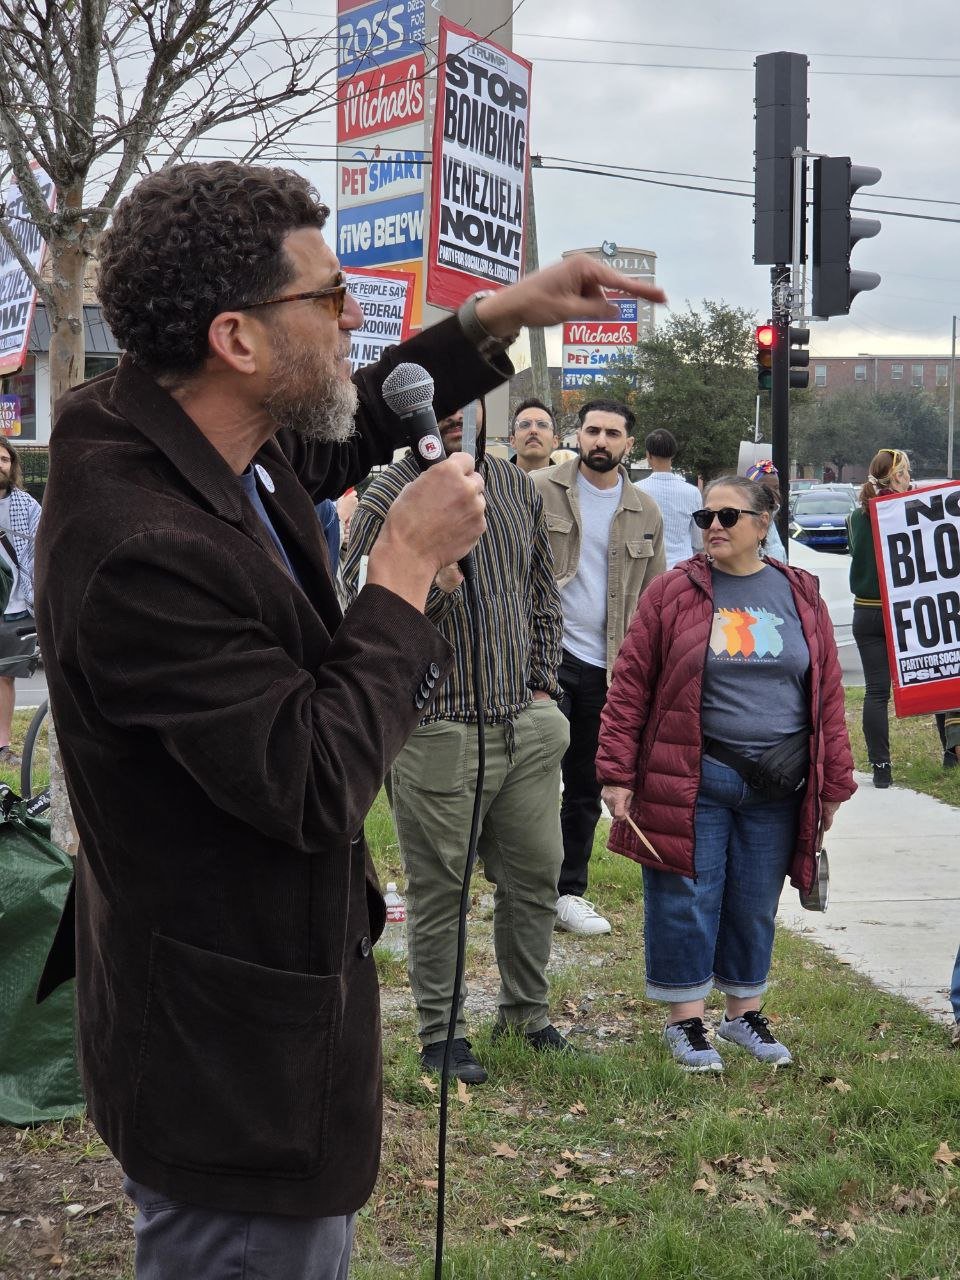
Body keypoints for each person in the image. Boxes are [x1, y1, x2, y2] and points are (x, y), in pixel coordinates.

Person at [33, 159, 667, 1280]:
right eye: (327, 299)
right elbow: (314, 774)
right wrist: (406, 570)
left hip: (249, 1013)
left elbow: (348, 417)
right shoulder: (139, 544)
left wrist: (510, 308)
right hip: (226, 1075)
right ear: (236, 338)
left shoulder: (197, 435)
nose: (353, 315)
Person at [341, 401, 572, 1085]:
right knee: (440, 891)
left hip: (522, 724)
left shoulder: (513, 488)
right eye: (431, 407)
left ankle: (526, 1016)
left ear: (478, 410)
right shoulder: (391, 490)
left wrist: (541, 685)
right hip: (438, 726)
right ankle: (442, 1034)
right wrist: (434, 586)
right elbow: (357, 601)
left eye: (459, 402)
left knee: (534, 878)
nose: (445, 417)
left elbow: (541, 591)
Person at [597, 474, 855, 1072]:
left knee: (754, 899)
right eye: (706, 517)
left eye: (729, 517)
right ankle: (685, 1021)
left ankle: (743, 1014)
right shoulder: (672, 594)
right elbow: (631, 685)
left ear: (763, 523)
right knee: (684, 895)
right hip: (694, 776)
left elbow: (828, 695)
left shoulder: (801, 593)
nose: (714, 526)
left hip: (778, 784)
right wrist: (616, 773)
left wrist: (834, 782)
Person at [533, 400, 665, 936]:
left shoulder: (645, 510)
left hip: (607, 667)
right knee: (533, 778)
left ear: (629, 443)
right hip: (545, 657)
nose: (601, 441)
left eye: (612, 433)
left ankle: (569, 891)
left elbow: (655, 597)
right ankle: (526, 888)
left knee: (586, 783)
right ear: (577, 435)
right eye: (592, 430)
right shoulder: (539, 489)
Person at [0, 439, 42, 766]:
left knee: (5, 677)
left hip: (14, 610)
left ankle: (2, 745)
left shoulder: (28, 506)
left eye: (3, 459)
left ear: (12, 465)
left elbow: (39, 553)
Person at [635, 428, 702, 568]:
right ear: (673, 454)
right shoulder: (692, 492)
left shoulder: (635, 490)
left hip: (646, 568)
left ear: (648, 455)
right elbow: (698, 541)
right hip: (683, 568)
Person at [745, 459, 787, 560]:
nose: (772, 493)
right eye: (765, 487)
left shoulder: (772, 517)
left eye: (776, 487)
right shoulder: (747, 521)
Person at [509, 397, 560, 473]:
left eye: (542, 425)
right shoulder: (492, 482)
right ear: (513, 441)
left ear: (555, 441)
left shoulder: (568, 484)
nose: (533, 430)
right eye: (525, 424)